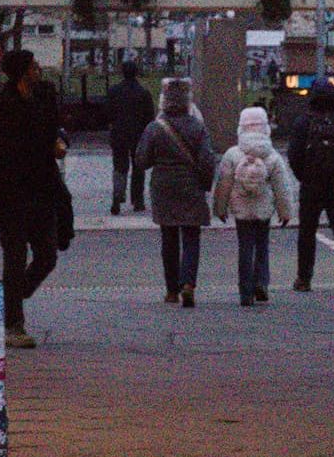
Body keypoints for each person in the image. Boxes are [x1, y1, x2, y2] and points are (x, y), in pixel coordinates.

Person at [0, 50, 65, 348]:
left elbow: (56, 131)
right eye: (33, 66)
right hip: (10, 194)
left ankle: (6, 296)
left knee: (47, 255)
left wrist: (60, 142)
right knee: (15, 258)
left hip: (42, 190)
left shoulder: (43, 100)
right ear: (21, 72)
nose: (38, 69)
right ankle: (14, 325)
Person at [135, 77, 216, 308]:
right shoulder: (197, 127)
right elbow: (207, 160)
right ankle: (188, 283)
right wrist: (205, 185)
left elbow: (142, 160)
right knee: (191, 236)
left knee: (169, 237)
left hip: (163, 186)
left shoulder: (155, 127)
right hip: (191, 185)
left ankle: (171, 290)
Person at [213, 106, 297, 307]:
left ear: (241, 128)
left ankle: (245, 291)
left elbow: (223, 184)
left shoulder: (232, 154)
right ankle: (261, 283)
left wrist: (220, 208)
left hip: (241, 211)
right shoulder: (272, 156)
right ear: (265, 129)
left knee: (245, 247)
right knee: (262, 246)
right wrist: (285, 212)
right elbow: (281, 187)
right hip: (263, 210)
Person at [286, 85, 334, 297]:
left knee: (307, 231)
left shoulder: (304, 122)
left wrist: (304, 175)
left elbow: (293, 155)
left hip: (312, 184)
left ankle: (304, 278)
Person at [104, 60, 156, 215]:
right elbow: (150, 117)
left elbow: (107, 114)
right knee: (138, 167)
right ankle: (138, 200)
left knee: (119, 167)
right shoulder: (144, 93)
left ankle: (117, 197)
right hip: (138, 135)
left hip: (119, 134)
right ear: (136, 73)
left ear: (122, 73)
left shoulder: (113, 91)